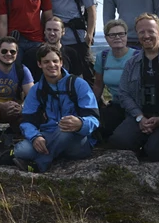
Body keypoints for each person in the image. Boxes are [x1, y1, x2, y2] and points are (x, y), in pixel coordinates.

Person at [105, 13, 159, 162]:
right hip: (140, 116)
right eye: (142, 32)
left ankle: (151, 143)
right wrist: (140, 117)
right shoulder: (132, 63)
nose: (146, 36)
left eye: (151, 31)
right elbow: (124, 93)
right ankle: (144, 139)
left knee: (155, 152)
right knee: (118, 141)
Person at [12, 44, 100, 173]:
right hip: (49, 136)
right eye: (46, 62)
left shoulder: (78, 84)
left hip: (77, 141)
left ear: (61, 63)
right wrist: (35, 137)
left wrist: (81, 123)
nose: (51, 65)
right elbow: (27, 121)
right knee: (21, 149)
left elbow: (94, 118)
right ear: (39, 64)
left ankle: (41, 163)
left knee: (65, 128)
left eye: (55, 61)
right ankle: (54, 152)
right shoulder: (37, 90)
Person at [41, 0, 97, 83]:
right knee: (58, 75)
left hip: (77, 38)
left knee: (86, 74)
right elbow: (44, 12)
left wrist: (89, 34)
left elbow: (91, 9)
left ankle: (94, 103)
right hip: (56, 40)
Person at [0, 36, 34, 135]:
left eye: (12, 52)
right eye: (4, 51)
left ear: (17, 54)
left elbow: (32, 95)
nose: (8, 54)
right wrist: (0, 105)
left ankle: (12, 133)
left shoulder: (22, 70)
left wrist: (21, 107)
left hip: (13, 109)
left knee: (29, 112)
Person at [93, 19, 138, 139]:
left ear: (126, 36)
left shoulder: (137, 57)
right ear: (106, 38)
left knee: (121, 138)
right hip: (116, 105)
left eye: (121, 34)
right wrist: (91, 109)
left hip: (135, 106)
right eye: (112, 35)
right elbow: (98, 85)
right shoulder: (102, 57)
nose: (117, 37)